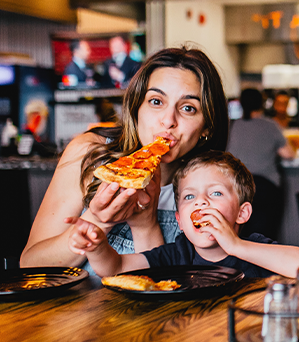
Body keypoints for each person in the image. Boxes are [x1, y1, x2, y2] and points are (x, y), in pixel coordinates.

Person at [21, 46, 230, 275]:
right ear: (136, 107)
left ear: (206, 127)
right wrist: (98, 219)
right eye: (156, 102)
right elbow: (31, 265)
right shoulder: (88, 154)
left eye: (188, 108)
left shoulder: (215, 189)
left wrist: (146, 225)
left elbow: (169, 294)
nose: (168, 121)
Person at [66, 150, 299, 278]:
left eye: (215, 194)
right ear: (180, 221)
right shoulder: (177, 254)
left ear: (242, 213)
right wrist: (96, 246)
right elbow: (116, 268)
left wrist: (236, 246)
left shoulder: (253, 249)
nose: (201, 202)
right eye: (189, 197)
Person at [226, 88, 295, 241]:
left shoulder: (230, 126)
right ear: (262, 104)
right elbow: (288, 154)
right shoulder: (270, 125)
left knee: (239, 236)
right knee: (264, 237)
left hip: (237, 187)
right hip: (265, 188)